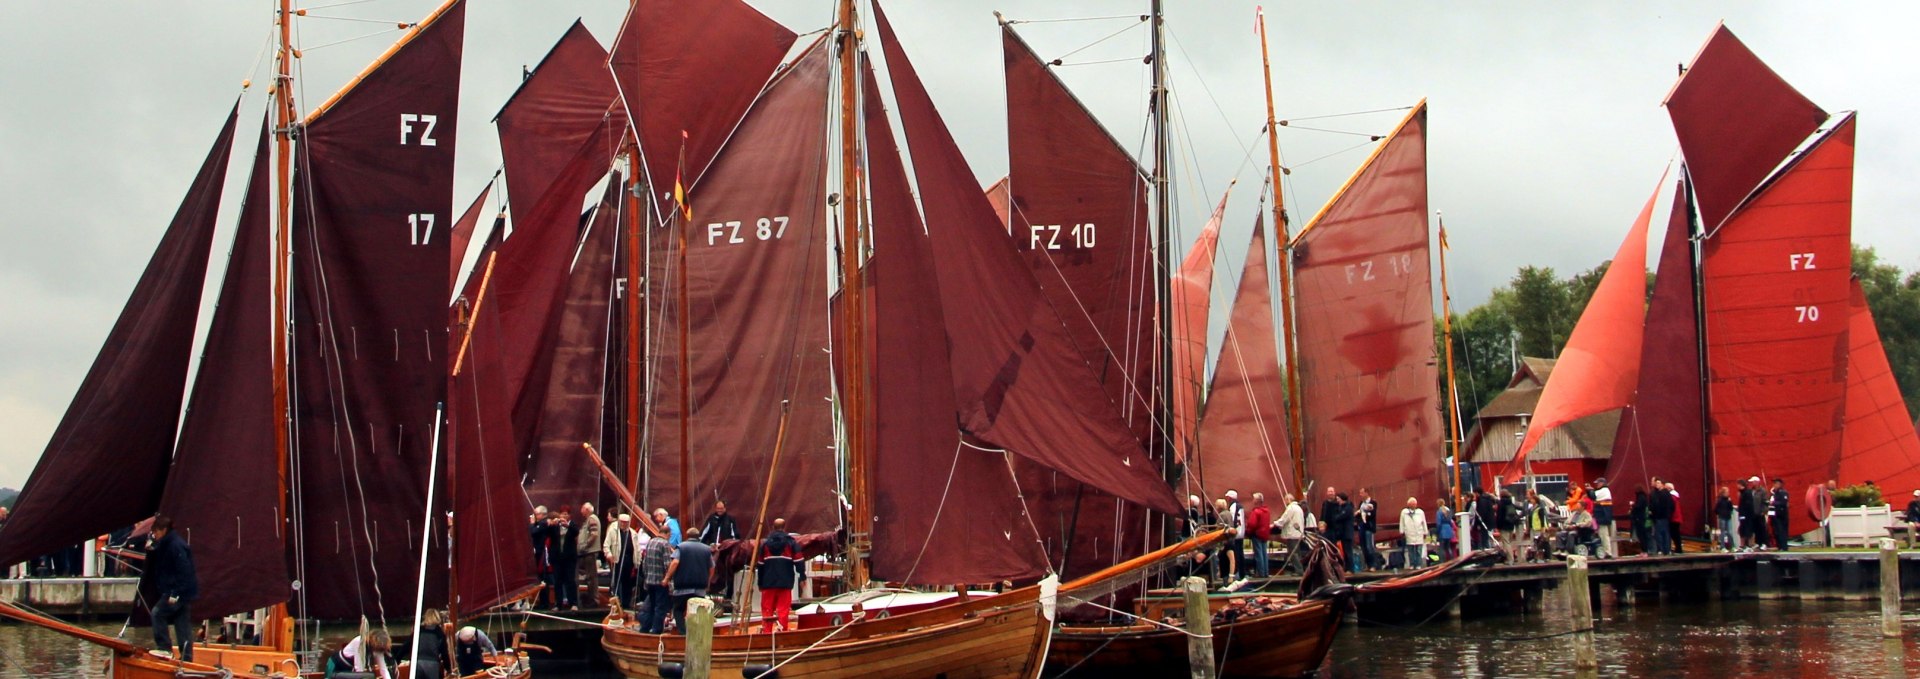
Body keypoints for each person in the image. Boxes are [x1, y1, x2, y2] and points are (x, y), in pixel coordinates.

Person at [144, 515, 197, 662]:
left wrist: (175, 593)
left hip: (177, 591)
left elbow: (184, 570)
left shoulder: (175, 545)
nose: (155, 535)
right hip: (183, 591)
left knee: (157, 614)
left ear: (164, 530)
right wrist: (151, 549)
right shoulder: (168, 543)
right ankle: (187, 658)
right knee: (182, 625)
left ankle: (164, 648)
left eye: (156, 532)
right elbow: (160, 557)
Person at [757, 518, 804, 633]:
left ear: (773, 527)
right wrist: (802, 576)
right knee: (783, 609)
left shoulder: (765, 545)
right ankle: (781, 632)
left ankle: (767, 633)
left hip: (768, 582)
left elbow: (760, 565)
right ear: (784, 527)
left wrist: (760, 582)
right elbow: (799, 560)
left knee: (767, 609)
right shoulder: (791, 543)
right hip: (785, 582)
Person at [664, 536, 715, 634]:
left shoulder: (681, 547)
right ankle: (696, 633)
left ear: (687, 536)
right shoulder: (706, 549)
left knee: (678, 610)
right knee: (698, 611)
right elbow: (712, 568)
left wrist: (667, 578)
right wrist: (708, 581)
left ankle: (683, 633)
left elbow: (675, 562)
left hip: (682, 587)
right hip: (700, 588)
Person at [639, 515, 677, 634]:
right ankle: (656, 630)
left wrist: (646, 577)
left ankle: (645, 628)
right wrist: (669, 581)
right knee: (660, 607)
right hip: (661, 582)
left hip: (650, 580)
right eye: (669, 536)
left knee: (650, 606)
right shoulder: (664, 544)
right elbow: (667, 564)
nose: (669, 538)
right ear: (667, 533)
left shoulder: (651, 542)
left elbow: (644, 562)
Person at [330, 630, 395, 679]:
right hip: (336, 666)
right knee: (368, 676)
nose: (377, 653)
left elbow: (383, 669)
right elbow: (359, 669)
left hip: (350, 670)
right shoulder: (359, 642)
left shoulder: (378, 649)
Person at [529, 506, 558, 609]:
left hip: (543, 555)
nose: (535, 517)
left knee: (543, 578)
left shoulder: (544, 523)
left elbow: (533, 532)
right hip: (539, 553)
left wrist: (532, 523)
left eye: (536, 514)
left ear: (542, 514)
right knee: (540, 578)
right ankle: (542, 601)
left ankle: (545, 603)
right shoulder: (542, 523)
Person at [552, 507, 579, 609]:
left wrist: (567, 526)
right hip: (557, 558)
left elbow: (576, 532)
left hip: (569, 558)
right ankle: (558, 604)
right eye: (562, 514)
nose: (564, 516)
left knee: (570, 580)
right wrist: (552, 523)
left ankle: (573, 603)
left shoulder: (572, 525)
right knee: (558, 581)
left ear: (569, 516)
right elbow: (549, 534)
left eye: (566, 514)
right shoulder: (556, 526)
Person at [412, 609, 451, 678]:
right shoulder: (439, 632)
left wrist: (397, 659)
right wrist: (448, 668)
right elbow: (444, 652)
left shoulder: (419, 630)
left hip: (418, 663)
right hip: (432, 665)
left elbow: (406, 646)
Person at [577, 502, 603, 605]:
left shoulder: (592, 519)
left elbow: (594, 534)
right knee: (589, 577)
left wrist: (584, 546)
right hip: (587, 552)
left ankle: (594, 600)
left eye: (582, 509)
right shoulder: (589, 519)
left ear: (587, 509)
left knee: (591, 577)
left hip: (589, 552)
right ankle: (591, 599)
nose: (581, 511)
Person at [1276, 494, 1306, 573]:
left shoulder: (1291, 508)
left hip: (1292, 534)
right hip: (1298, 534)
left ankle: (1299, 571)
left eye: (1286, 499)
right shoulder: (1299, 508)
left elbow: (1284, 519)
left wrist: (1275, 523)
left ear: (1288, 500)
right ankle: (1300, 569)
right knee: (1297, 553)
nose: (1285, 501)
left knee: (1293, 553)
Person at [1246, 493, 1273, 578]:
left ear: (1257, 501)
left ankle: (1260, 573)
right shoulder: (1267, 511)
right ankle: (1265, 572)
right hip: (1264, 534)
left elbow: (1252, 524)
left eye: (1254, 499)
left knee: (1259, 554)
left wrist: (1248, 532)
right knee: (1264, 554)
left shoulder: (1256, 512)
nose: (1253, 500)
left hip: (1257, 534)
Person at [1223, 490, 1247, 580]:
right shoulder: (1240, 506)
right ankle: (1242, 572)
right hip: (1241, 531)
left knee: (1236, 554)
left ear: (1230, 498)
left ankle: (1237, 573)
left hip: (1235, 532)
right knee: (1240, 553)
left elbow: (1232, 519)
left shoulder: (1233, 506)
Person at [1399, 497, 1428, 569]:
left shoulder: (1420, 512)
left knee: (1419, 550)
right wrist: (1401, 531)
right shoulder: (1404, 512)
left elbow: (1424, 522)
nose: (1414, 505)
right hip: (1409, 532)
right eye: (1412, 504)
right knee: (1411, 550)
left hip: (1419, 533)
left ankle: (1418, 564)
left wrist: (1425, 532)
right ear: (1408, 504)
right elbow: (1401, 522)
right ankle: (1412, 564)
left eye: (1415, 504)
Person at [1355, 489, 1379, 572]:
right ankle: (1368, 565)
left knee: (1369, 546)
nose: (1360, 495)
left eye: (1362, 493)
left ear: (1366, 493)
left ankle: (1373, 565)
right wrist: (1358, 520)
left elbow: (1372, 514)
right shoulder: (1361, 504)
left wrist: (1363, 512)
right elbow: (1358, 515)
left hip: (1369, 527)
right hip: (1362, 527)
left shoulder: (1373, 503)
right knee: (1364, 547)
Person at [1648, 479, 1674, 556]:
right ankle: (1663, 549)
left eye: (1658, 483)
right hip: (1658, 517)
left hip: (1663, 516)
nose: (1657, 484)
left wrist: (1667, 514)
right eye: (1656, 483)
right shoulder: (1657, 493)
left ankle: (1665, 549)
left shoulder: (1665, 493)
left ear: (1662, 484)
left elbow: (1670, 505)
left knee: (1663, 533)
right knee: (1660, 534)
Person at [1592, 478, 1616, 559]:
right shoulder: (1603, 491)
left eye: (1598, 483)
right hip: (1601, 517)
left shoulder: (1605, 490)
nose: (1597, 484)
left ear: (1602, 483)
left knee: (1604, 535)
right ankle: (1605, 552)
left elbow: (1594, 495)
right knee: (1602, 535)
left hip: (1603, 517)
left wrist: (1590, 491)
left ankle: (1608, 552)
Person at [1496, 490, 1521, 563]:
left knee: (1506, 543)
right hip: (1511, 525)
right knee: (1509, 542)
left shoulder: (1501, 504)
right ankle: (1509, 558)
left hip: (1503, 526)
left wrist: (1498, 526)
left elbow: (1500, 516)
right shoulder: (1510, 502)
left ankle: (1510, 559)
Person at [1769, 478, 1791, 551]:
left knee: (1782, 531)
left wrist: (1774, 503)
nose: (1774, 485)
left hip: (1782, 515)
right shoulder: (1773, 493)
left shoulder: (1783, 492)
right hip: (1775, 515)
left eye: (1776, 483)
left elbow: (1784, 503)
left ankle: (1784, 547)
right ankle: (1779, 546)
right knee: (1777, 531)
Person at [1715, 486, 1737, 552]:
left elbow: (1731, 508)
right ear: (1723, 493)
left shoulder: (1728, 500)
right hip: (1722, 518)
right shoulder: (1719, 500)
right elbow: (1716, 509)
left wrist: (1730, 502)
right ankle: (1722, 547)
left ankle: (1732, 546)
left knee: (1730, 532)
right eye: (1727, 492)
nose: (1728, 493)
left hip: (1728, 518)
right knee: (1723, 533)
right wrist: (1720, 513)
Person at [1667, 481, 1685, 554]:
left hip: (1674, 518)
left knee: (1674, 534)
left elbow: (1671, 507)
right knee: (1676, 534)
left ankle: (1678, 548)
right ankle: (1678, 548)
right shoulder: (1676, 496)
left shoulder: (1672, 497)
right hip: (1677, 517)